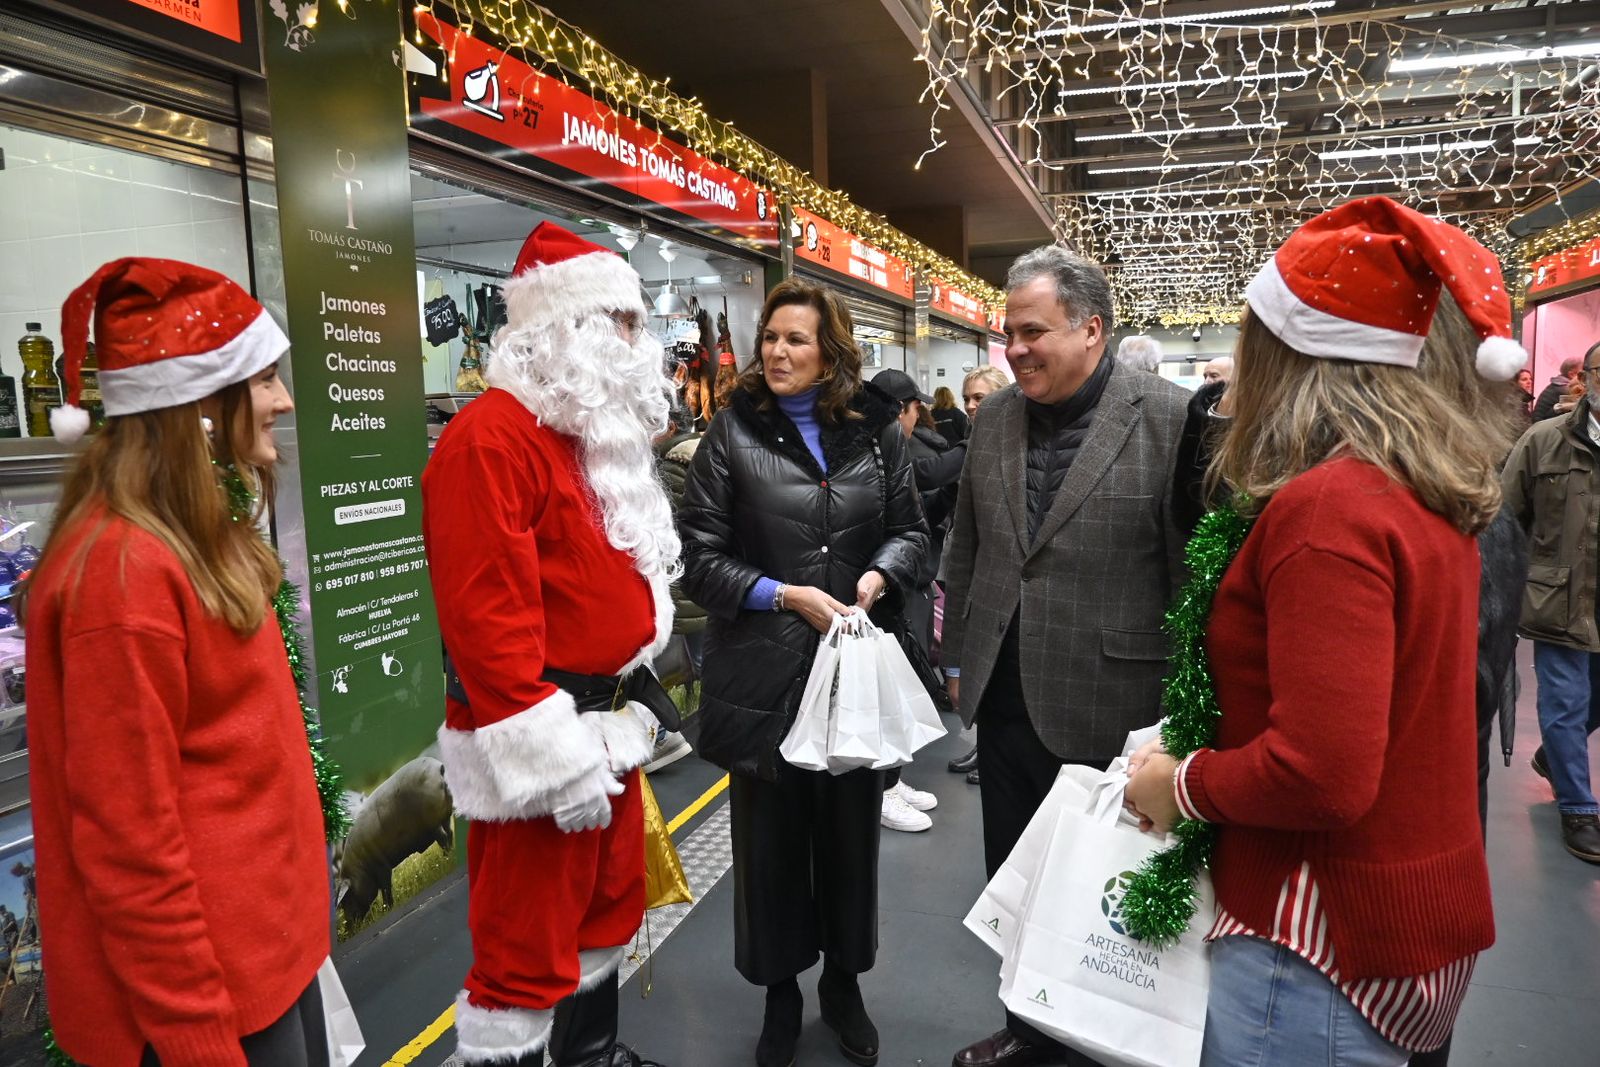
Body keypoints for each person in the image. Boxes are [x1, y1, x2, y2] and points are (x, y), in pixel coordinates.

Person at [1126, 196, 1517, 1066]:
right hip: (1403, 908)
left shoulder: (1328, 509)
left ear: (1289, 353)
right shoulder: (1422, 490)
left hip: (1315, 935)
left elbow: (1323, 772)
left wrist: (1179, 782)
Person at [22, 258, 331, 1067]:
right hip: (206, 1014)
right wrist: (197, 1038)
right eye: (263, 378)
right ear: (197, 403)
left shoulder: (188, 542)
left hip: (263, 973)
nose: (284, 401)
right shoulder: (123, 577)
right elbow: (130, 847)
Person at [422, 222, 677, 1067]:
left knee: (604, 916)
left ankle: (591, 1055)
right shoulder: (489, 442)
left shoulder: (591, 438)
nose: (636, 345)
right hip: (544, 748)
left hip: (605, 732)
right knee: (524, 956)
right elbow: (488, 628)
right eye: (621, 324)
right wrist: (557, 762)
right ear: (562, 328)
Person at [942, 245, 1190, 1067]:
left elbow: (1193, 575)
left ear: (1092, 328)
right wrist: (956, 660)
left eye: (1032, 331)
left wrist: (1187, 716)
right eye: (1007, 332)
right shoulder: (996, 419)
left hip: (1114, 706)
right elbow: (967, 546)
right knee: (1014, 882)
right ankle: (1022, 1027)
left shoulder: (1171, 417)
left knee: (1097, 892)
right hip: (1006, 702)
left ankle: (1096, 1045)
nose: (1014, 349)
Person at [678, 277, 929, 1067]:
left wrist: (879, 576)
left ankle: (843, 987)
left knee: (851, 838)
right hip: (765, 677)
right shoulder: (731, 433)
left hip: (852, 674)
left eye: (796, 339)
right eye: (771, 338)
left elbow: (913, 532)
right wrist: (781, 593)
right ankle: (781, 996)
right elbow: (698, 561)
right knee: (772, 849)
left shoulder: (876, 432)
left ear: (832, 352)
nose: (778, 352)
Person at [1501, 337, 1600, 866]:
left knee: (1592, 700)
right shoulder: (1544, 441)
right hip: (1557, 595)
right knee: (1566, 701)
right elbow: (1505, 517)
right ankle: (1578, 809)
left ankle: (1553, 761)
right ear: (1586, 377)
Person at [872, 368, 965, 832]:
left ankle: (891, 778)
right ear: (902, 411)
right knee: (887, 691)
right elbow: (922, 478)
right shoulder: (883, 449)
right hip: (885, 590)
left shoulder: (900, 446)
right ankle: (882, 786)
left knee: (900, 688)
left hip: (901, 586)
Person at [947, 365, 1015, 783]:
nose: (972, 405)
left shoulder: (1005, 445)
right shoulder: (968, 442)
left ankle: (988, 750)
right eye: (968, 398)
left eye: (980, 397)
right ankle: (983, 747)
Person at [1531, 355, 1582, 421]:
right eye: (1582, 373)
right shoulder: (1565, 389)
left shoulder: (1557, 385)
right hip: (1542, 425)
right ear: (1571, 374)